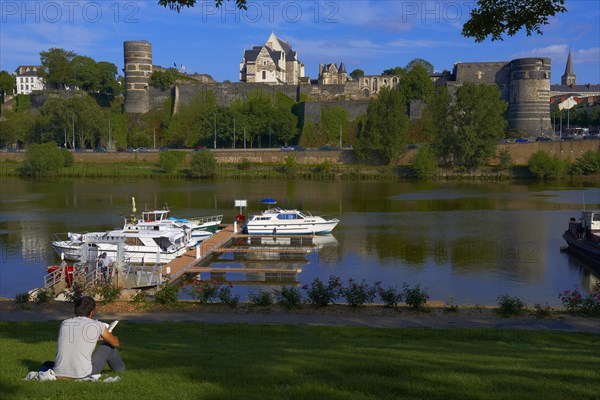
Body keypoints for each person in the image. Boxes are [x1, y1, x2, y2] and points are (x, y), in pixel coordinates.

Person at [53, 296, 125, 379]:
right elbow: (115, 343)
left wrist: (96, 338)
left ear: (75, 310)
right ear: (92, 313)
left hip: (59, 373)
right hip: (83, 374)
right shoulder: (97, 325)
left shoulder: (65, 323)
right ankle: (121, 371)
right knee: (108, 346)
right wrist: (110, 335)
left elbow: (77, 339)